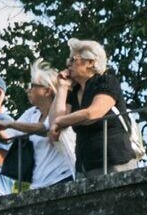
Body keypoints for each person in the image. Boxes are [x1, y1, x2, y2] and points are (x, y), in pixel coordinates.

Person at [57, 42, 134, 176]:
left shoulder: (106, 82)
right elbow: (54, 121)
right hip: (84, 165)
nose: (68, 64)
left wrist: (61, 121)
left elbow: (93, 113)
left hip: (113, 160)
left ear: (90, 63)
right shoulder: (74, 93)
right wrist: (62, 87)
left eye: (73, 60)